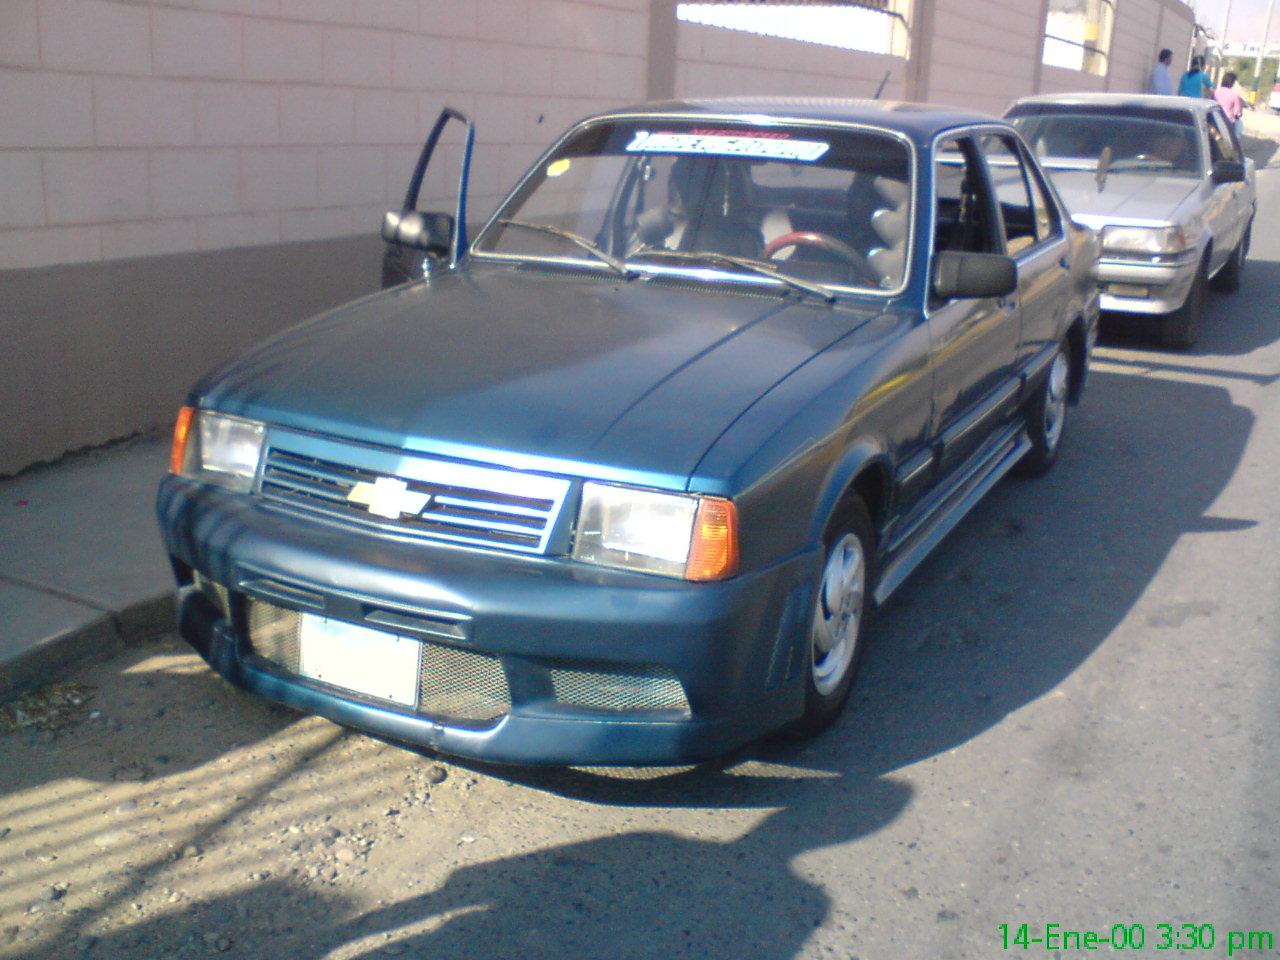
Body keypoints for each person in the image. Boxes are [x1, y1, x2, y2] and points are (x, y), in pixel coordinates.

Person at [1215, 71, 1246, 140]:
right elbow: (1237, 113)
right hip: (1228, 122)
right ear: (1233, 83)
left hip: (1215, 120)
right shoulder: (1235, 95)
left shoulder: (1216, 92)